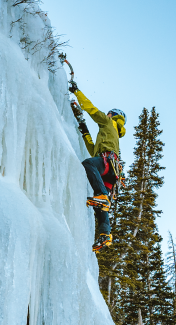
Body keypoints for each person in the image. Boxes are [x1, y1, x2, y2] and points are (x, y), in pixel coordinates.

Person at [68, 83, 125, 252]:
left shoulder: (109, 123)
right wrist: (84, 129)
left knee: (88, 164)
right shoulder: (111, 134)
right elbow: (93, 149)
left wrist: (76, 92)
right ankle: (105, 234)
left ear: (112, 115)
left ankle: (101, 195)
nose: (105, 115)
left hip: (107, 163)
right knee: (102, 204)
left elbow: (92, 109)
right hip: (112, 173)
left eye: (108, 113)